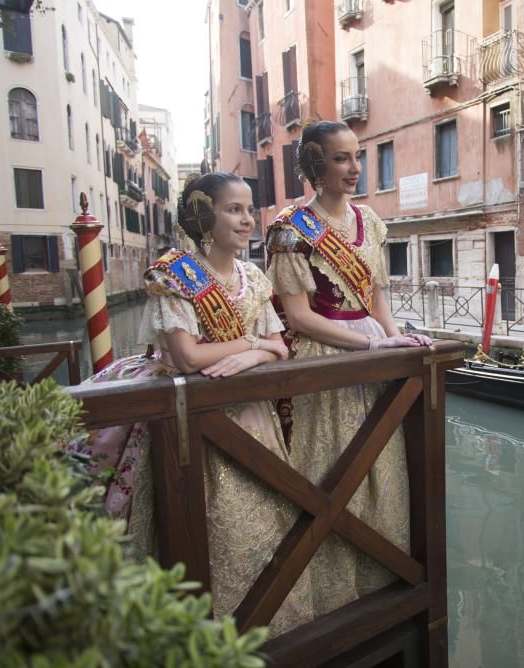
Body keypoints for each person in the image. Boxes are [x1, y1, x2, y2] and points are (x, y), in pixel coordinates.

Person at [82, 172, 314, 635]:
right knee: (200, 530)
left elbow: (281, 345)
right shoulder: (174, 275)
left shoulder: (253, 276)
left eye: (250, 209)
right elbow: (188, 356)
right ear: (204, 215)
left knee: (263, 525)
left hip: (251, 418)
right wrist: (255, 344)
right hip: (185, 419)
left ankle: (267, 629)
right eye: (234, 209)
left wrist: (257, 349)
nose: (248, 219)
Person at [265, 120, 431, 614]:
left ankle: (383, 579)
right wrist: (366, 348)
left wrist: (393, 337)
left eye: (357, 156)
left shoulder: (371, 221)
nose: (354, 167)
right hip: (325, 359)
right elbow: (297, 316)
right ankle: (330, 595)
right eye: (340, 158)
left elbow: (378, 296)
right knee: (331, 468)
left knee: (381, 463)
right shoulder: (290, 229)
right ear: (315, 165)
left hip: (373, 350)